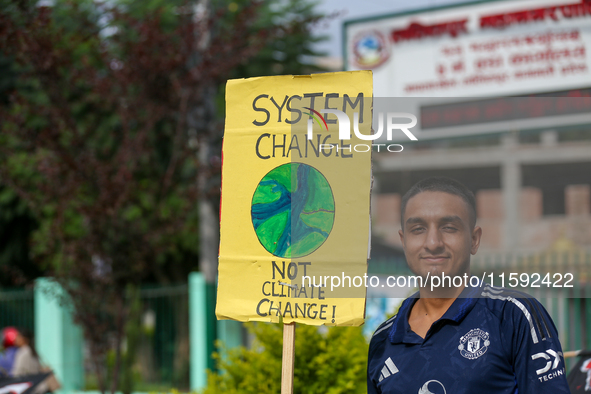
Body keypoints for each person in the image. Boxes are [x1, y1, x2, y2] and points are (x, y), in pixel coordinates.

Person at [367, 176, 570, 393]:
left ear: (474, 239)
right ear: (403, 240)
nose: (433, 243)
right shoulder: (383, 340)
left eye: (448, 227)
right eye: (418, 229)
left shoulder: (513, 314)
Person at [11, 328, 49, 394]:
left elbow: (17, 372)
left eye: (18, 336)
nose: (15, 339)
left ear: (24, 339)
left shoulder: (23, 352)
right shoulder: (32, 351)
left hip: (29, 388)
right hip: (38, 386)